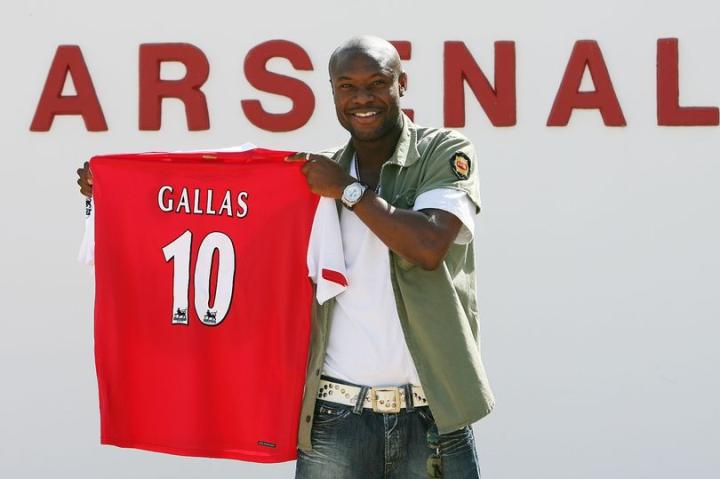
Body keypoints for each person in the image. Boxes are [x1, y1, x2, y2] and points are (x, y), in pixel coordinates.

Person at [77, 35, 494, 479]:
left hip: (433, 415)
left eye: (377, 83)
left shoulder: (442, 151)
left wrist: (348, 191)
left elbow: (428, 247)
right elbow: (221, 206)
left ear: (401, 84)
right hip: (335, 417)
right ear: (332, 91)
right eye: (347, 86)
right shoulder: (312, 177)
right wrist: (118, 190)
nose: (362, 98)